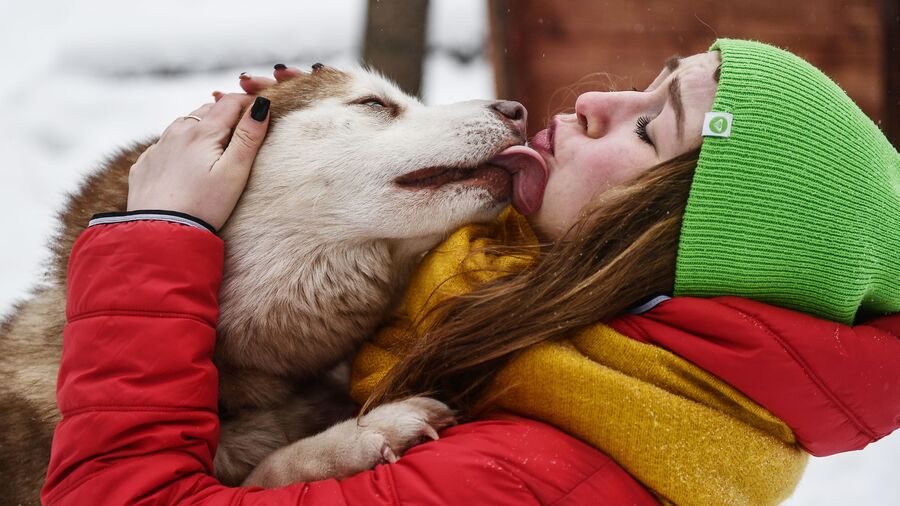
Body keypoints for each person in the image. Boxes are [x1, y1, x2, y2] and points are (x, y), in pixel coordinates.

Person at [43, 39, 898, 505]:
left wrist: (158, 232)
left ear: (672, 245)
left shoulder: (533, 478)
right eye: (649, 84)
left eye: (648, 128)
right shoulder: (520, 345)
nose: (598, 101)